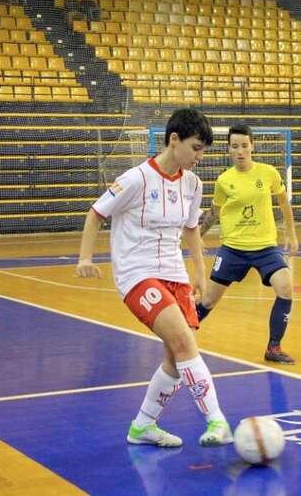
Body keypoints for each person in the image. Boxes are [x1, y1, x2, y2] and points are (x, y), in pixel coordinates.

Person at [75, 108, 233, 448]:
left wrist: (200, 273)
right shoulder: (136, 179)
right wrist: (85, 258)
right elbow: (96, 213)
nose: (200, 157)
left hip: (174, 274)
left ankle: (143, 426)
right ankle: (217, 420)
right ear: (174, 139)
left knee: (175, 360)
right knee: (184, 343)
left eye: (204, 150)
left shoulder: (193, 184)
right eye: (196, 148)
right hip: (137, 274)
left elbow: (191, 229)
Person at [196, 124, 299, 365]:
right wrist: (198, 234)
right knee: (208, 300)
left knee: (285, 287)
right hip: (233, 248)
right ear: (229, 149)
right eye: (235, 146)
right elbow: (215, 212)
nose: (240, 151)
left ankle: (274, 347)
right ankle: (181, 334)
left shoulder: (268, 173)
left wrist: (291, 233)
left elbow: (283, 202)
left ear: (252, 146)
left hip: (265, 247)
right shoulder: (224, 180)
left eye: (244, 145)